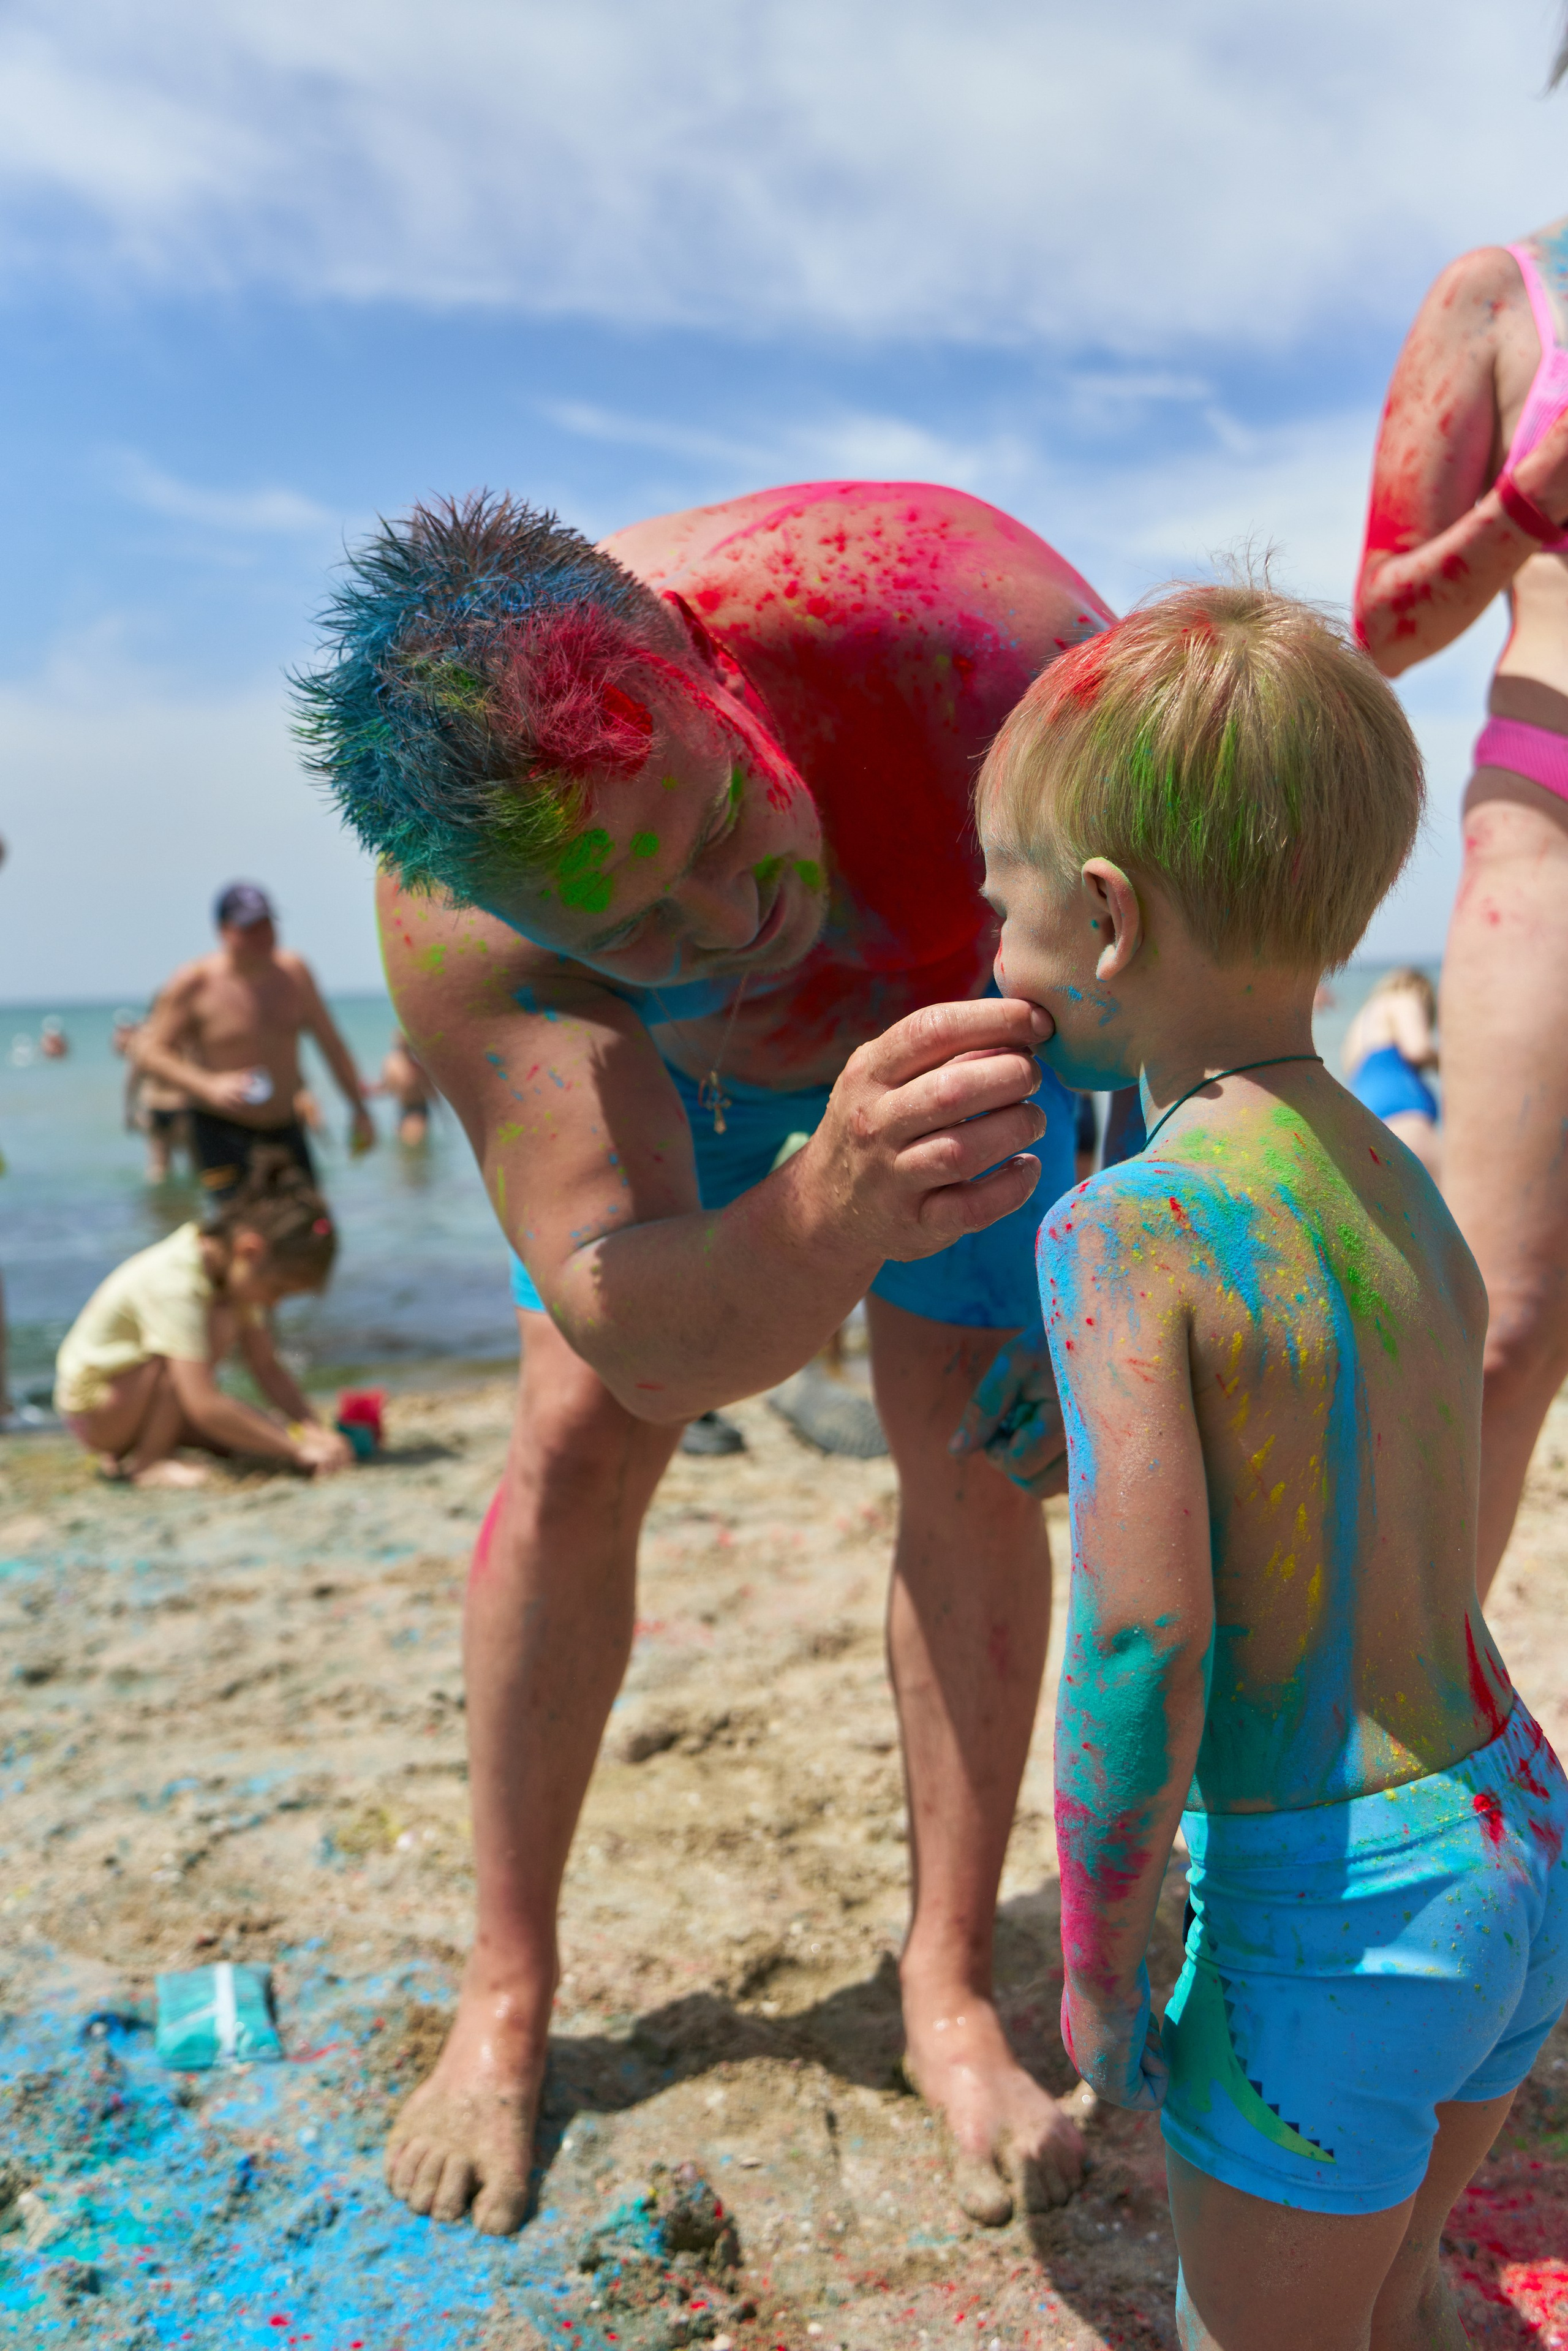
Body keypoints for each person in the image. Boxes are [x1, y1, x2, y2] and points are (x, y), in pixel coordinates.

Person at [295, 482, 1115, 2233]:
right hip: (710, 1110)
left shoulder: (978, 635)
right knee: (578, 1444)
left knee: (970, 1445)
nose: (731, 913)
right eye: (639, 919)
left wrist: (1115, 1232)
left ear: (705, 664)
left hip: (962, 1016)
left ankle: (949, 1977)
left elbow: (1172, 956)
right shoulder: (467, 933)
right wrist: (822, 1205)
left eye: (728, 815)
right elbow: (644, 1334)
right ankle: (507, 1987)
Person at [976, 581, 1567, 2350]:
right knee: (1395, 2290)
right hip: (1516, 1837)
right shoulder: (1399, 1174)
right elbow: (1363, 1456)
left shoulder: (1120, 1234)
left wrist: (1092, 1958)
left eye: (993, 897)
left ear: (1102, 916)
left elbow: (1147, 1639)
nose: (983, 939)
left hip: (1339, 1918)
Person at [1354, 184, 1568, 1596]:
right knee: (1494, 1332)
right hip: (1548, 832)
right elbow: (1376, 626)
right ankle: (1417, 1750)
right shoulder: (1499, 296)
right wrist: (1518, 509)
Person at [53, 1152, 354, 1488]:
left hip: (132, 1400)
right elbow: (204, 1402)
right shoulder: (176, 1281)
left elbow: (267, 1367)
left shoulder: (234, 1278)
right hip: (97, 1413)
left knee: (250, 1434)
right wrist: (297, 1449)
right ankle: (149, 1463)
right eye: (278, 1289)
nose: (275, 1303)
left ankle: (149, 1443)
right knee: (210, 1337)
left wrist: (312, 1428)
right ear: (250, 1251)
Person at [134, 883, 376, 1199]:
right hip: (220, 1127)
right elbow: (148, 1053)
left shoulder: (295, 974)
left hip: (285, 1124)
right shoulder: (195, 982)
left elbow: (332, 1046)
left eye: (267, 925)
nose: (263, 936)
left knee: (310, 1229)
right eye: (250, 927)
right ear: (222, 931)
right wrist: (209, 1085)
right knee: (243, 1235)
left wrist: (359, 1110)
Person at [1341, 967, 1441, 1178]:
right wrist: (1449, 1065)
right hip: (1406, 1120)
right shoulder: (1403, 997)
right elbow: (1417, 1048)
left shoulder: (1359, 1024)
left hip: (1367, 1134)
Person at [115, 1011, 191, 1183]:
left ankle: (157, 1208)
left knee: (158, 1168)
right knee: (195, 1164)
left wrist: (128, 1113)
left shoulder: (141, 1039)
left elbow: (131, 1081)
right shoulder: (183, 1036)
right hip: (181, 1106)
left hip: (154, 1106)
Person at [373, 1029, 433, 1146]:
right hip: (401, 1110)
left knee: (412, 1145)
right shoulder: (390, 1063)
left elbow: (431, 1091)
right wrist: (370, 1091)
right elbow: (387, 1087)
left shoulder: (417, 1065)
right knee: (404, 1149)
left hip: (418, 1110)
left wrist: (444, 1114)